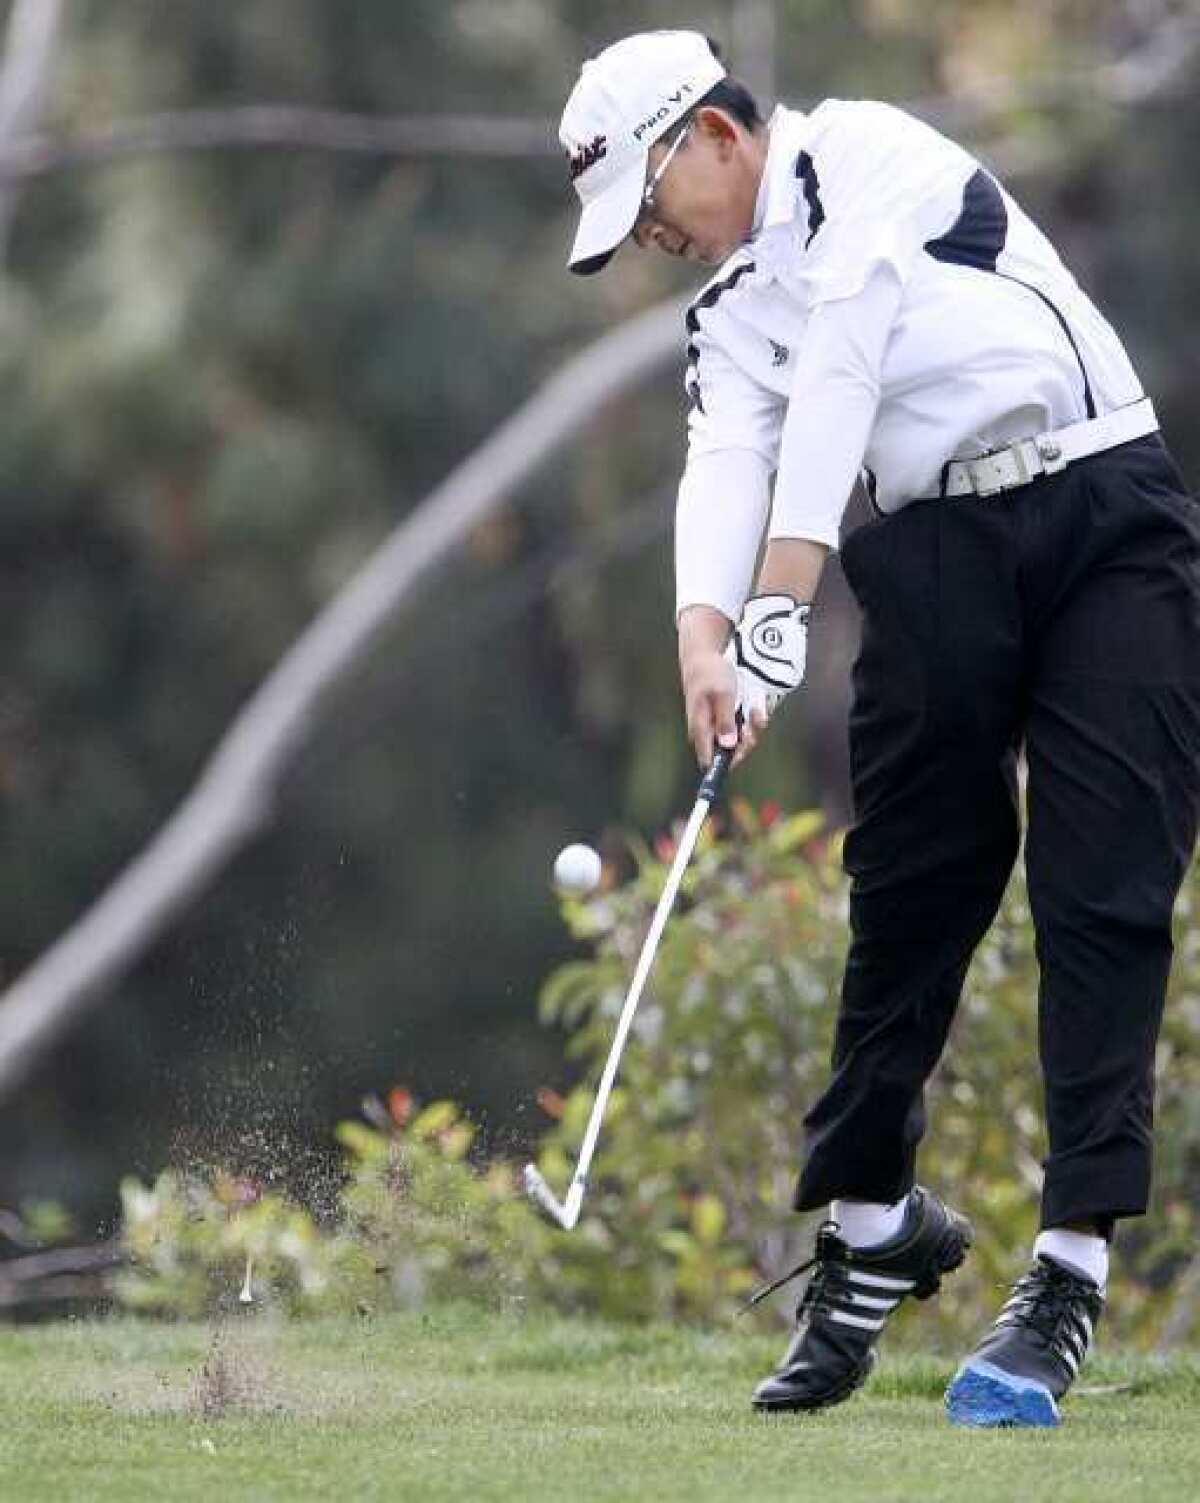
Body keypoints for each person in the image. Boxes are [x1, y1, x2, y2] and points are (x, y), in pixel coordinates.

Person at [558, 30, 1200, 1428]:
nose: (654, 238)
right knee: (907, 889)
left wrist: (786, 589)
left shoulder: (872, 160)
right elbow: (726, 452)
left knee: (1102, 893)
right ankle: (867, 1226)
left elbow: (846, 362)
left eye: (653, 203)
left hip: (1102, 515)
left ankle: (1068, 1271)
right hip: (935, 549)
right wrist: (705, 642)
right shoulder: (728, 311)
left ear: (717, 138)